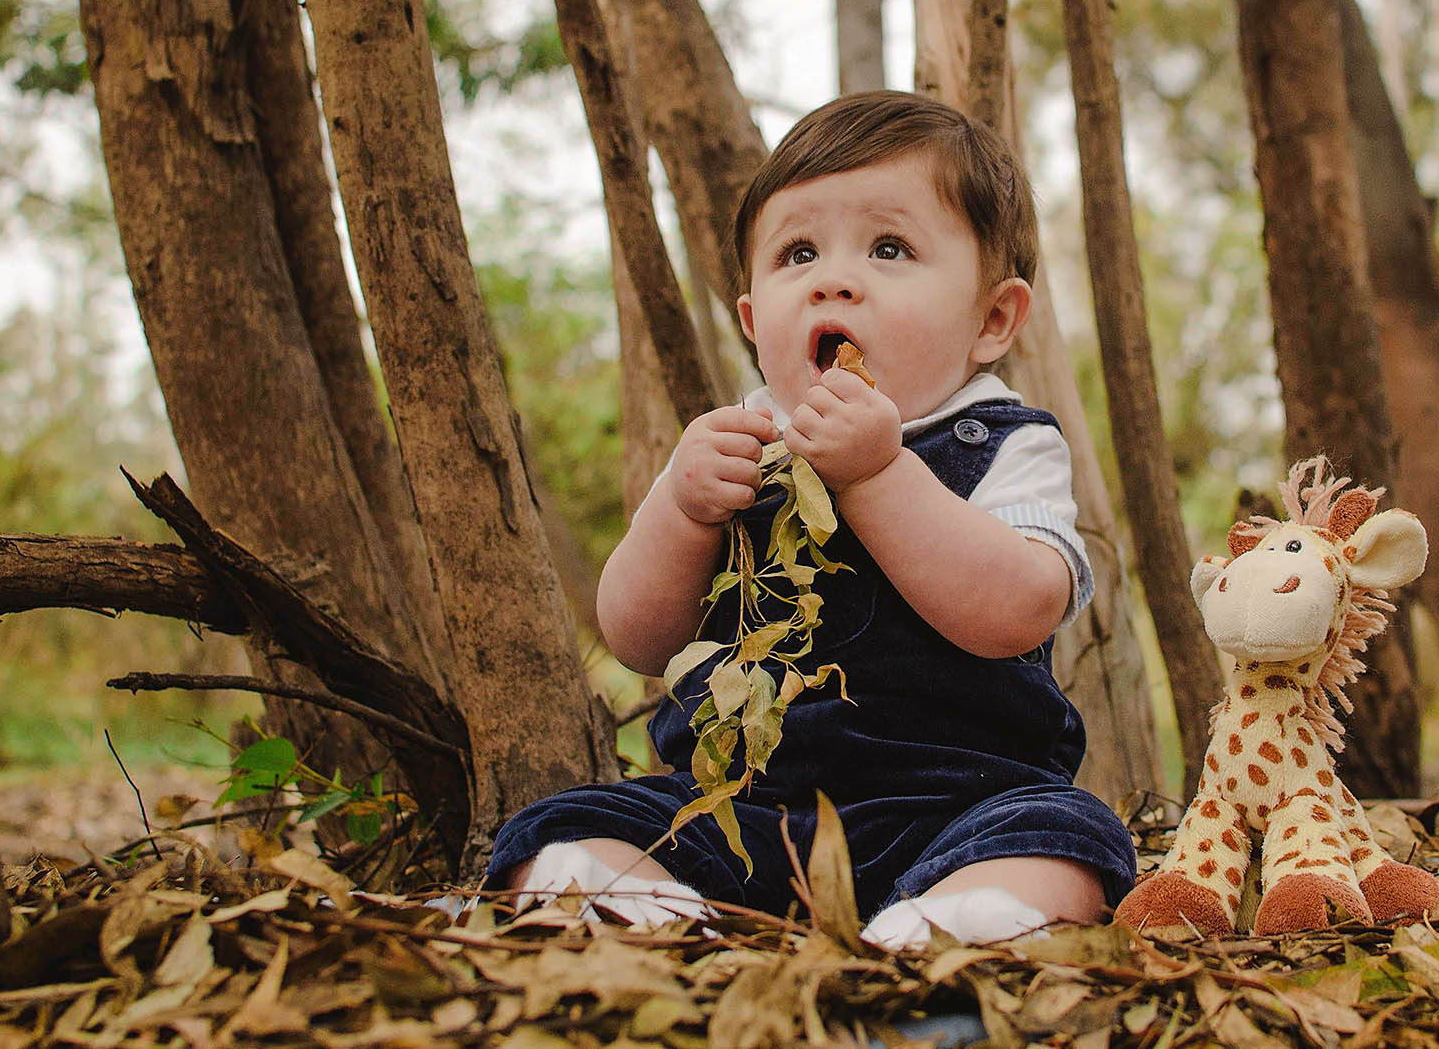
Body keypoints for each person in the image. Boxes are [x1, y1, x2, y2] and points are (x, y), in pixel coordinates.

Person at [484, 91, 1136, 948]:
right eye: (798, 252)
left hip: (958, 806)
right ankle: (659, 919)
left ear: (992, 319)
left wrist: (879, 474)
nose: (834, 277)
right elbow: (634, 635)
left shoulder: (1007, 442)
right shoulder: (734, 447)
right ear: (756, 322)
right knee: (563, 827)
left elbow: (1015, 611)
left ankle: (949, 928)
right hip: (741, 811)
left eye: (890, 247)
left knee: (1071, 837)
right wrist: (682, 511)